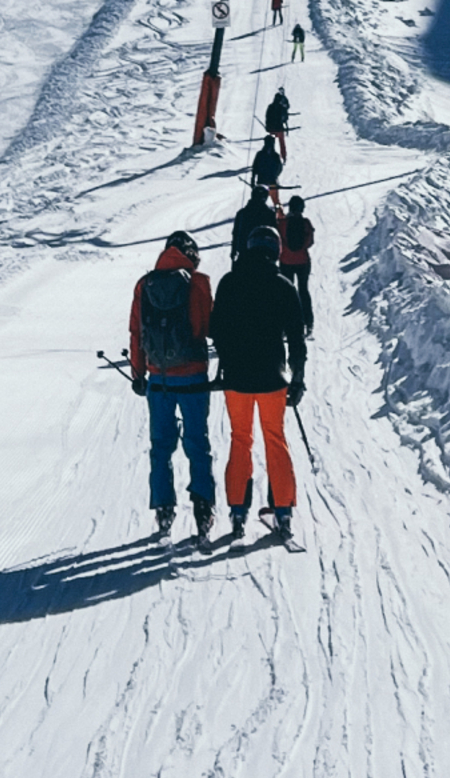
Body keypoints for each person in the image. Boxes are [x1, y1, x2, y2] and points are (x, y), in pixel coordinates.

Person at [209, 219, 307, 541]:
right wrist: (298, 377)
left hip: (236, 378)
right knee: (275, 440)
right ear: (276, 252)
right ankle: (283, 513)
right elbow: (296, 339)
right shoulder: (283, 285)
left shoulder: (229, 282)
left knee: (241, 440)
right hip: (272, 377)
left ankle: (238, 512)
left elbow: (215, 330)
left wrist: (229, 357)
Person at [129, 230, 216, 538]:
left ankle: (164, 509)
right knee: (197, 443)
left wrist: (138, 374)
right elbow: (209, 326)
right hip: (193, 377)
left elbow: (136, 333)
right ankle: (203, 507)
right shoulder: (199, 282)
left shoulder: (145, 284)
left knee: (161, 446)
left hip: (159, 378)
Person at [281, 192, 315, 304]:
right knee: (303, 290)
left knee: (287, 291)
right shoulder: (306, 223)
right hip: (303, 261)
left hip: (286, 261)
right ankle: (308, 318)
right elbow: (310, 242)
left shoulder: (283, 223)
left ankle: (288, 317)